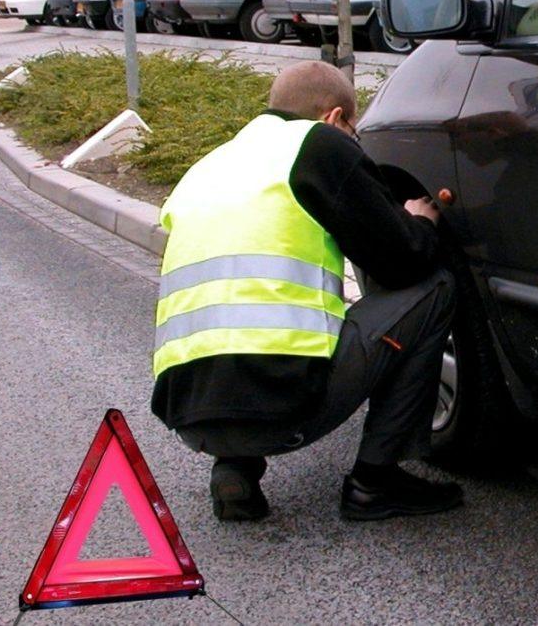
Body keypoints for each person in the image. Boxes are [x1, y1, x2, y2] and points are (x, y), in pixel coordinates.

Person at [151, 60, 461, 522]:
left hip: (188, 417)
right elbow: (403, 263)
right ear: (335, 118)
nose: (353, 138)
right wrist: (417, 221)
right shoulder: (321, 147)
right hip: (286, 406)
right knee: (433, 287)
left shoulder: (208, 166)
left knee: (245, 324)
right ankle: (376, 480)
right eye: (353, 127)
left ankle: (234, 467)